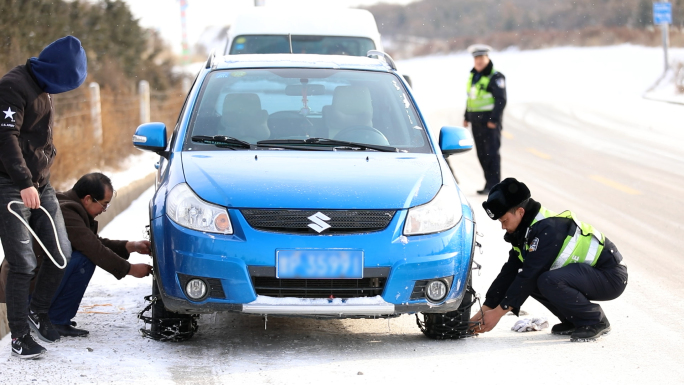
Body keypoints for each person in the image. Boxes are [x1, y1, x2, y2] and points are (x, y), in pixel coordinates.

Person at [0, 36, 87, 359]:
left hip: (42, 184)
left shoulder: (44, 88)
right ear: (55, 71)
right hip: (10, 185)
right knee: (23, 263)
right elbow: (5, 137)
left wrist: (44, 169)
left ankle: (39, 312)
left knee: (60, 253)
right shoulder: (12, 86)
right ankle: (19, 337)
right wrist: (24, 181)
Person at [470, 178, 628, 341]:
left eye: (504, 220)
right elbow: (509, 274)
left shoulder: (548, 229)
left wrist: (497, 313)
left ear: (520, 212)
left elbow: (528, 276)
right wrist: (483, 312)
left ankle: (595, 320)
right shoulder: (525, 233)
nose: (503, 226)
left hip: (610, 276)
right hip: (589, 274)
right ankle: (574, 320)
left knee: (543, 279)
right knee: (534, 278)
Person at [48, 173, 152, 337]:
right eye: (104, 205)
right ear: (88, 199)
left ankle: (54, 316)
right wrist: (130, 269)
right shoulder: (66, 211)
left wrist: (130, 246)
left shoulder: (70, 205)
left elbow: (92, 241)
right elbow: (93, 248)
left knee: (85, 255)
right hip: (31, 289)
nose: (104, 210)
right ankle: (56, 319)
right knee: (85, 260)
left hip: (41, 280)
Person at [462, 44, 507, 195]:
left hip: (490, 123)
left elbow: (500, 100)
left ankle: (495, 186)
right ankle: (489, 184)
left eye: (481, 58)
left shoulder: (495, 76)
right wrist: (466, 117)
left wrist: (494, 120)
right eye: (476, 58)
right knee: (482, 154)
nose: (479, 61)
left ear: (487, 58)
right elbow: (471, 99)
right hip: (476, 122)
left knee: (492, 153)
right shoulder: (474, 76)